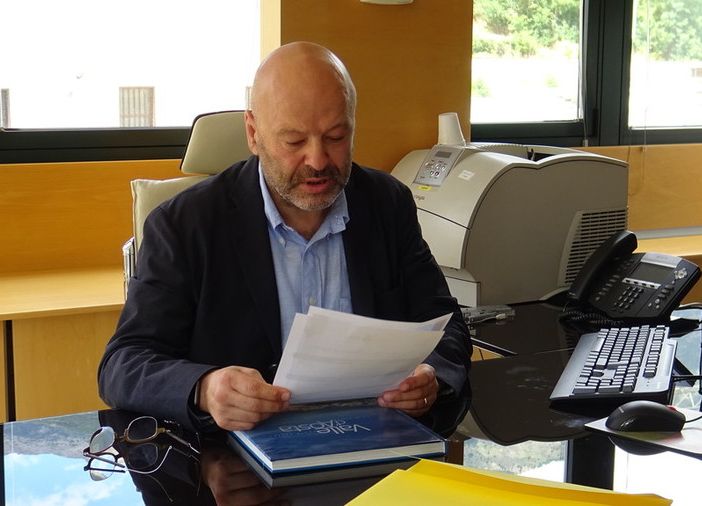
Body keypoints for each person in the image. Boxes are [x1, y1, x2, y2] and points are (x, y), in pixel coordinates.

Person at [98, 41, 471, 433]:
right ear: (253, 133)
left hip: (370, 441)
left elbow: (446, 326)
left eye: (336, 137)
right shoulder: (185, 224)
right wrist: (205, 389)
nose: (318, 160)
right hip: (234, 457)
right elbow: (124, 363)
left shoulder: (386, 204)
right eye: (294, 141)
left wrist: (431, 375)